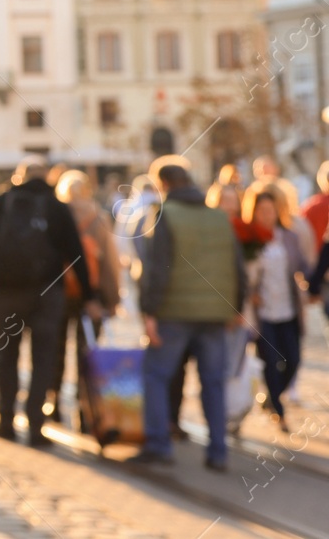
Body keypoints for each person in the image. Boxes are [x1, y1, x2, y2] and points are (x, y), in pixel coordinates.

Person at [0, 156, 99, 447]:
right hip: (47, 294)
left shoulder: (0, 202)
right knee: (43, 359)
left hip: (5, 294)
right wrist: (88, 296)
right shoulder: (56, 207)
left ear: (19, 176)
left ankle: (5, 422)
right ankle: (36, 425)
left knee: (7, 357)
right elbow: (76, 254)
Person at [133, 157, 246, 470]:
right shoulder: (219, 218)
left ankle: (158, 444)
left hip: (174, 313)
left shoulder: (164, 215)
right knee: (213, 382)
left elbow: (157, 269)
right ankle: (218, 451)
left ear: (164, 184)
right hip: (214, 313)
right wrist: (237, 305)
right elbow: (236, 266)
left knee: (155, 375)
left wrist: (149, 312)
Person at [47, 170, 122, 426]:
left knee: (55, 350)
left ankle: (53, 400)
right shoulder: (97, 218)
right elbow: (110, 263)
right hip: (92, 295)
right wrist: (113, 300)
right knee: (86, 352)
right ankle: (84, 408)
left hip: (59, 294)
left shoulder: (55, 216)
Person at [243, 181, 311, 432]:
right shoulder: (249, 242)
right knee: (270, 363)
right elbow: (243, 276)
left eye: (270, 210)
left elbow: (304, 266)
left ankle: (272, 397)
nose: (267, 215)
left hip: (289, 310)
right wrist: (251, 294)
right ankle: (279, 412)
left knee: (293, 360)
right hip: (263, 315)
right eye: (262, 211)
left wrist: (314, 283)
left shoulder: (288, 237)